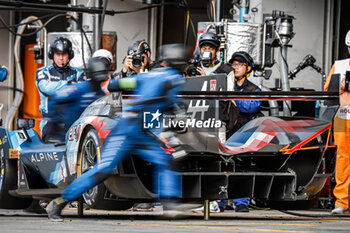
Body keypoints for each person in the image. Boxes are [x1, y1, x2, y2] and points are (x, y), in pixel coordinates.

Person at [46, 44, 188, 222]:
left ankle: (58, 203)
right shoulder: (174, 79)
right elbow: (177, 111)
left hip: (132, 128)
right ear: (181, 63)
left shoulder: (147, 76)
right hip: (129, 131)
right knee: (163, 160)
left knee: (107, 169)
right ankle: (170, 204)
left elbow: (115, 84)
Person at [218, 51, 262, 213]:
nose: (235, 67)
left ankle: (241, 201)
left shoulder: (254, 89)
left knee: (242, 166)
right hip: (224, 132)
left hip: (243, 133)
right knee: (222, 166)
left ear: (248, 68)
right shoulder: (222, 84)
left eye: (240, 64)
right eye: (233, 64)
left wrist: (233, 98)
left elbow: (252, 106)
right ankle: (220, 201)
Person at [35, 37, 86, 142]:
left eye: (64, 54)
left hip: (75, 122)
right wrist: (69, 84)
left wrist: (55, 86)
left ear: (70, 55)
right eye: (58, 54)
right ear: (52, 55)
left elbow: (82, 91)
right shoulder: (43, 72)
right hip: (50, 123)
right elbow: (46, 88)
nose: (61, 58)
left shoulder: (79, 73)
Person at [324, 30, 350, 215]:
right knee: (342, 158)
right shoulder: (339, 66)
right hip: (342, 117)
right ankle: (342, 201)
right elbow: (327, 90)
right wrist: (339, 86)